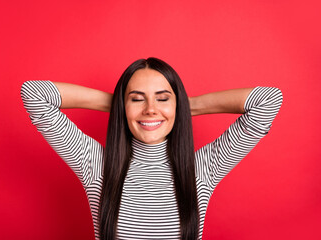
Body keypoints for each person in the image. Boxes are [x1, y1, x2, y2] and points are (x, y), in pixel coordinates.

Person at [20, 57, 283, 240]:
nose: (150, 109)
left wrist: (182, 108)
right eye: (137, 99)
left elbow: (268, 101)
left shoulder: (202, 169)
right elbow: (35, 94)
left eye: (162, 98)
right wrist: (121, 106)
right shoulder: (96, 165)